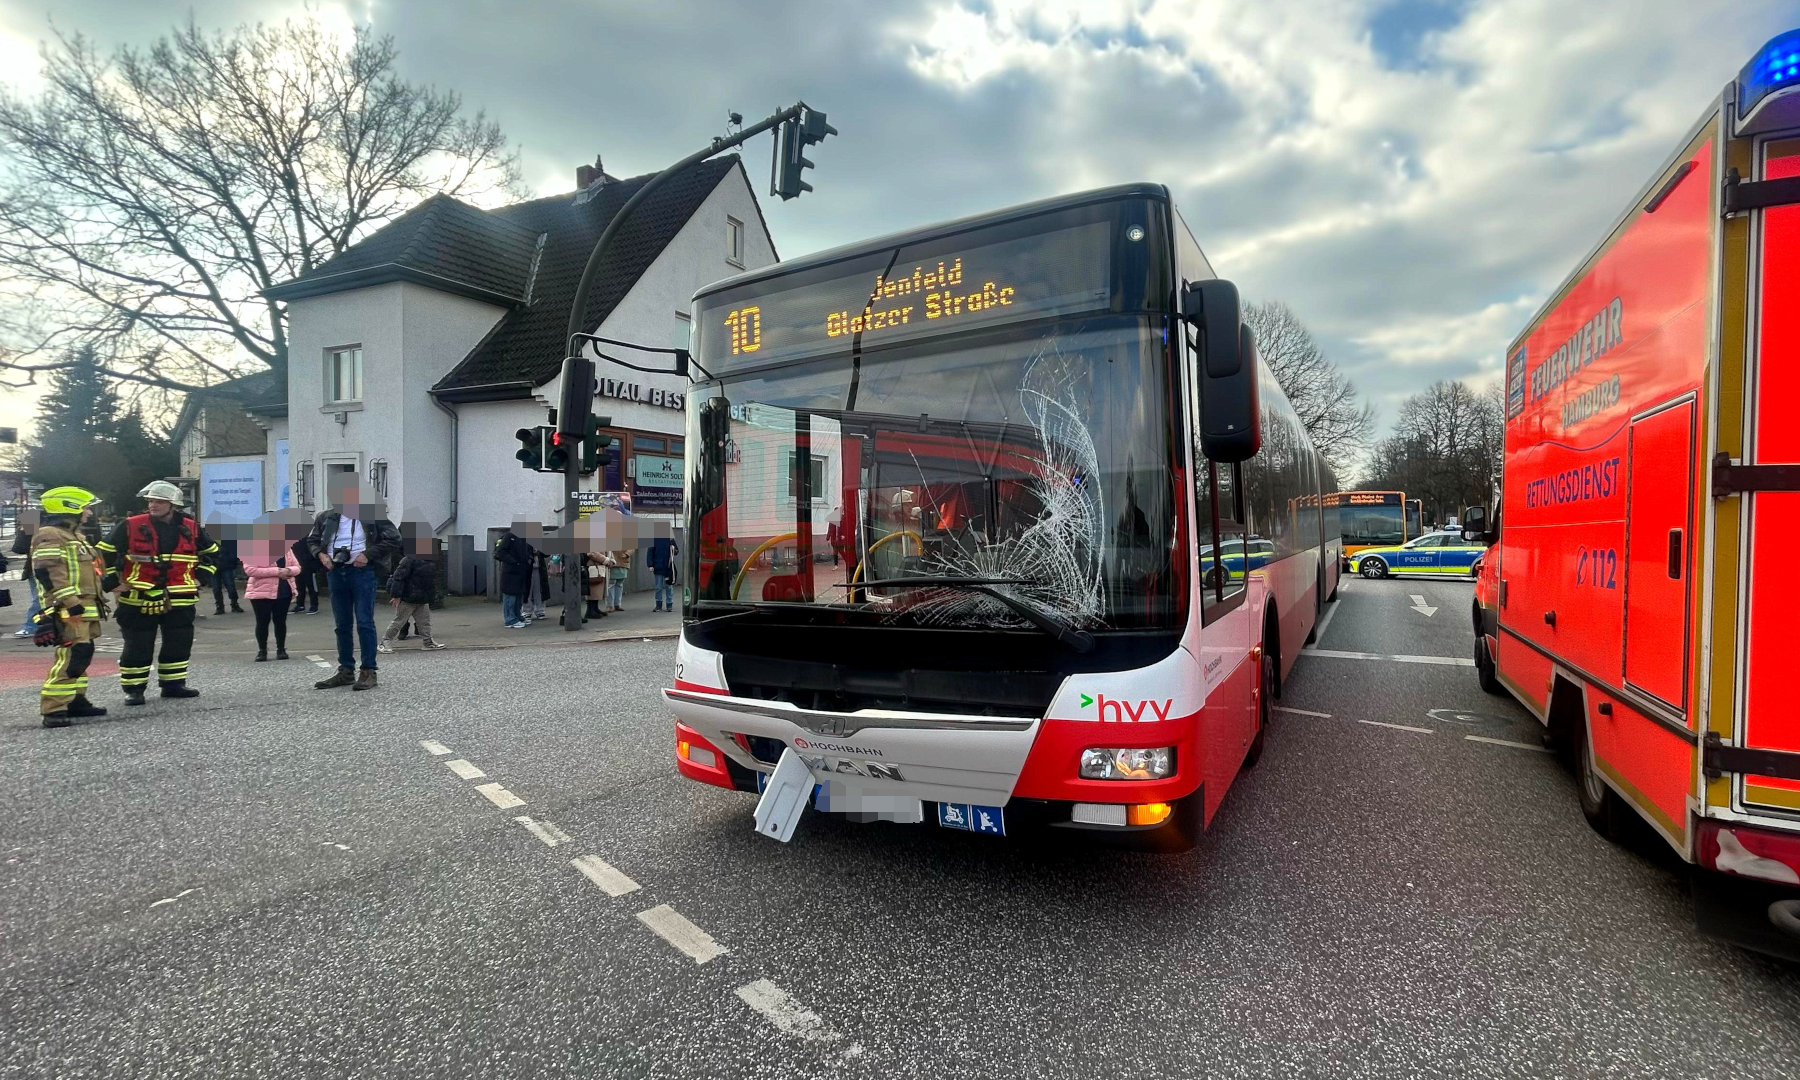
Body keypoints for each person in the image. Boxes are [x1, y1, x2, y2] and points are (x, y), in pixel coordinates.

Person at [97, 480, 219, 706]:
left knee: (179, 642)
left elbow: (212, 552)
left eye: (159, 501)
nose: (153, 505)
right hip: (138, 596)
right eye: (151, 501)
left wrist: (201, 576)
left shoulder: (191, 527)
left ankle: (173, 684)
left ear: (173, 505)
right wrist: (111, 581)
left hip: (180, 596)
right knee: (137, 644)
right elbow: (103, 553)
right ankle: (134, 689)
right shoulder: (130, 525)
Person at [306, 478, 401, 690]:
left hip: (362, 573)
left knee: (365, 622)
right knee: (342, 625)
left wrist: (367, 555)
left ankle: (369, 671)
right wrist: (321, 555)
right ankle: (345, 670)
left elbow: (394, 539)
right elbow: (312, 541)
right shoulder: (326, 517)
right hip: (336, 573)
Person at [30, 487, 109, 727]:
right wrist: (70, 603)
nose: (89, 512)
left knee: (82, 654)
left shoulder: (73, 535)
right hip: (69, 608)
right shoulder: (50, 535)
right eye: (86, 507)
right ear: (70, 508)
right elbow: (50, 574)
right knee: (72, 655)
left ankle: (76, 700)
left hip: (84, 606)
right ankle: (53, 709)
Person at [242, 519, 299, 662]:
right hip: (261, 592)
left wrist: (287, 570)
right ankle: (262, 650)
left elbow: (297, 567)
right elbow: (250, 570)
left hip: (283, 589)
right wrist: (276, 571)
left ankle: (281, 649)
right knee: (262, 621)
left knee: (280, 621)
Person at [380, 529, 446, 652]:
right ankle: (385, 642)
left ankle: (427, 642)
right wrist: (396, 595)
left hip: (420, 597)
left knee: (424, 622)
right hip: (409, 597)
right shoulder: (410, 560)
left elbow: (428, 581)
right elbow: (398, 578)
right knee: (399, 621)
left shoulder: (425, 560)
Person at [495, 523, 534, 629]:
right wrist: (514, 562)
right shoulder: (509, 537)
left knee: (517, 596)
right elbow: (499, 553)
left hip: (519, 571)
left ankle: (517, 617)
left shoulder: (522, 538)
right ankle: (510, 619)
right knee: (510, 596)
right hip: (511, 571)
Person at [11, 509, 39, 638]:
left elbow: (19, 548)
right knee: (39, 598)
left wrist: (23, 530)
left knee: (38, 598)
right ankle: (34, 626)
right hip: (36, 568)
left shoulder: (32, 524)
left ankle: (31, 626)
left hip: (35, 568)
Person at [212, 529, 243, 614]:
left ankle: (234, 604)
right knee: (216, 588)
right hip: (215, 567)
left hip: (225, 566)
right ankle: (220, 607)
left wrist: (231, 562)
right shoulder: (210, 540)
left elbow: (234, 552)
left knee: (230, 586)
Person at [646, 534, 678, 612]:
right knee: (658, 587)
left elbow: (677, 551)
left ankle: (669, 604)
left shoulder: (670, 540)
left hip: (668, 567)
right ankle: (659, 604)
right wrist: (650, 565)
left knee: (669, 586)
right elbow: (650, 552)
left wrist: (674, 549)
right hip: (659, 566)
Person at [583, 550, 608, 621]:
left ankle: (595, 608)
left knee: (597, 590)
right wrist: (605, 560)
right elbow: (591, 553)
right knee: (593, 589)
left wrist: (610, 560)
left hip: (599, 567)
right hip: (593, 567)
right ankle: (590, 610)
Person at [606, 544, 631, 611]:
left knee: (618, 584)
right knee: (613, 584)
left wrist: (627, 554)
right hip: (614, 562)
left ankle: (615, 604)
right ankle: (611, 605)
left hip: (622, 562)